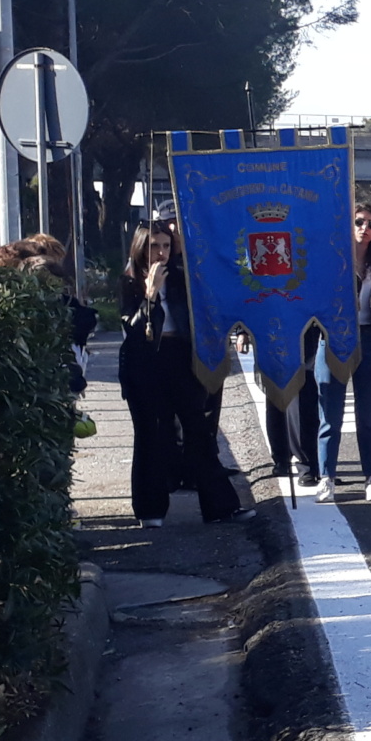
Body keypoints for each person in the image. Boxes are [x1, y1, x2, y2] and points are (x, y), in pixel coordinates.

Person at [117, 217, 245, 526]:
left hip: (179, 357)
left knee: (198, 430)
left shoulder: (182, 278)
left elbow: (203, 313)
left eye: (165, 245)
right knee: (152, 433)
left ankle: (220, 506)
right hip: (144, 362)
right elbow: (133, 332)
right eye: (153, 246)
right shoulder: (130, 280)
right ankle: (150, 509)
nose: (161, 253)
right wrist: (149, 296)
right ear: (139, 248)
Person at [315, 205, 371, 502]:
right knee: (330, 418)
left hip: (370, 341)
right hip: (334, 342)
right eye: (359, 222)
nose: (365, 227)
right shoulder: (332, 263)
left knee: (367, 418)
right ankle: (326, 477)